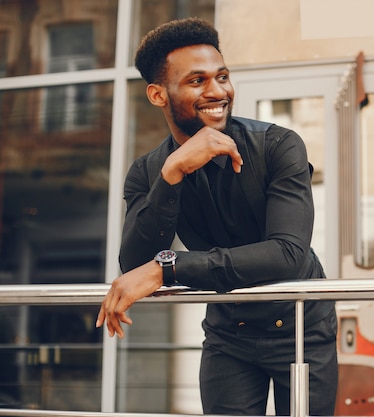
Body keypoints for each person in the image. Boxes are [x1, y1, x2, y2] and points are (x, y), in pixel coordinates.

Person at [95, 17, 338, 416]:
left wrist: (168, 269)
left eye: (222, 77)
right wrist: (173, 173)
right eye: (197, 81)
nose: (218, 91)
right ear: (158, 95)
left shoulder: (279, 145)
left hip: (301, 327)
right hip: (230, 334)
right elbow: (134, 263)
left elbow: (288, 253)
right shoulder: (147, 171)